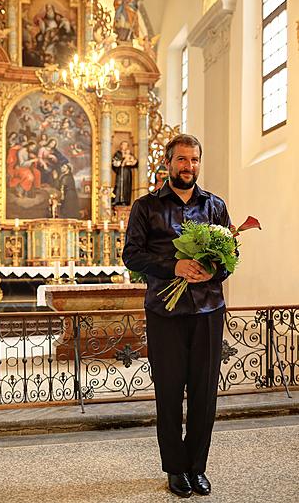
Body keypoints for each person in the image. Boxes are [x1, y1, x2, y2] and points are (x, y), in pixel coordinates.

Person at [122, 134, 232, 498]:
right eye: (182, 160)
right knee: (169, 392)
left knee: (204, 394)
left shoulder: (215, 206)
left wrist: (210, 271)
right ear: (168, 163)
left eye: (195, 160)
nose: (189, 167)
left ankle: (196, 467)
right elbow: (132, 256)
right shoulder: (146, 207)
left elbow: (229, 259)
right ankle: (174, 469)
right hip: (165, 312)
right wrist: (175, 266)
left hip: (208, 311)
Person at [112, 141, 138, 206]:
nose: (125, 146)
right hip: (120, 173)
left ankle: (125, 200)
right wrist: (123, 161)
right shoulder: (118, 154)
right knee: (118, 185)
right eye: (123, 145)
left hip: (127, 173)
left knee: (126, 186)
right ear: (121, 146)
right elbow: (115, 163)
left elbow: (135, 162)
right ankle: (117, 200)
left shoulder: (130, 154)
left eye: (126, 145)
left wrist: (127, 161)